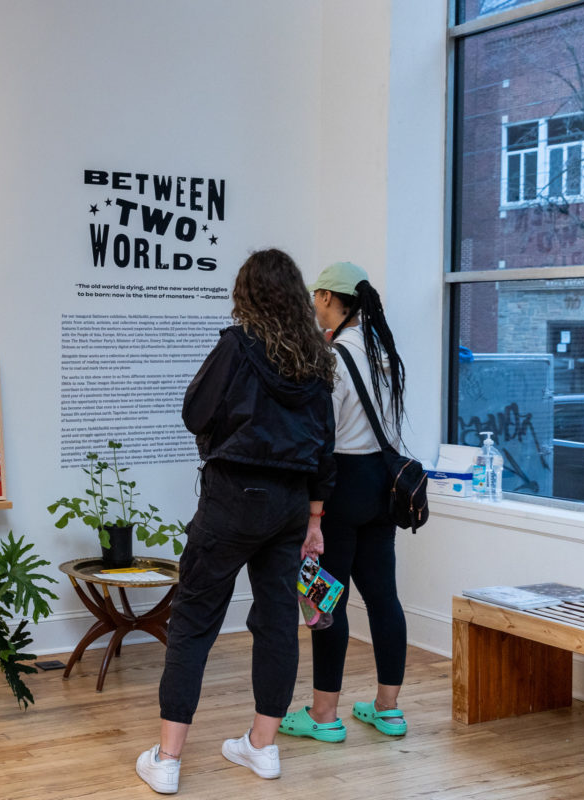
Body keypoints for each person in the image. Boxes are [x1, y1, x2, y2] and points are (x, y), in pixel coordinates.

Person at [136, 248, 336, 792]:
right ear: (296, 296)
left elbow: (194, 411)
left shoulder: (238, 346)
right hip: (292, 506)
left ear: (247, 295)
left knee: (195, 621)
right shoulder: (317, 360)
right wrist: (315, 520)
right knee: (277, 625)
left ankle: (168, 759)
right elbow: (325, 453)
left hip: (232, 499)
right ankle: (262, 748)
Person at [277, 261, 410, 746]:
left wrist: (313, 509)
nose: (312, 305)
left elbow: (322, 437)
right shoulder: (383, 353)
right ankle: (388, 709)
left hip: (343, 486)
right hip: (383, 486)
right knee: (383, 598)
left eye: (316, 296)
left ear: (332, 299)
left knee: (324, 597)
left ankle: (325, 714)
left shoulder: (332, 358)